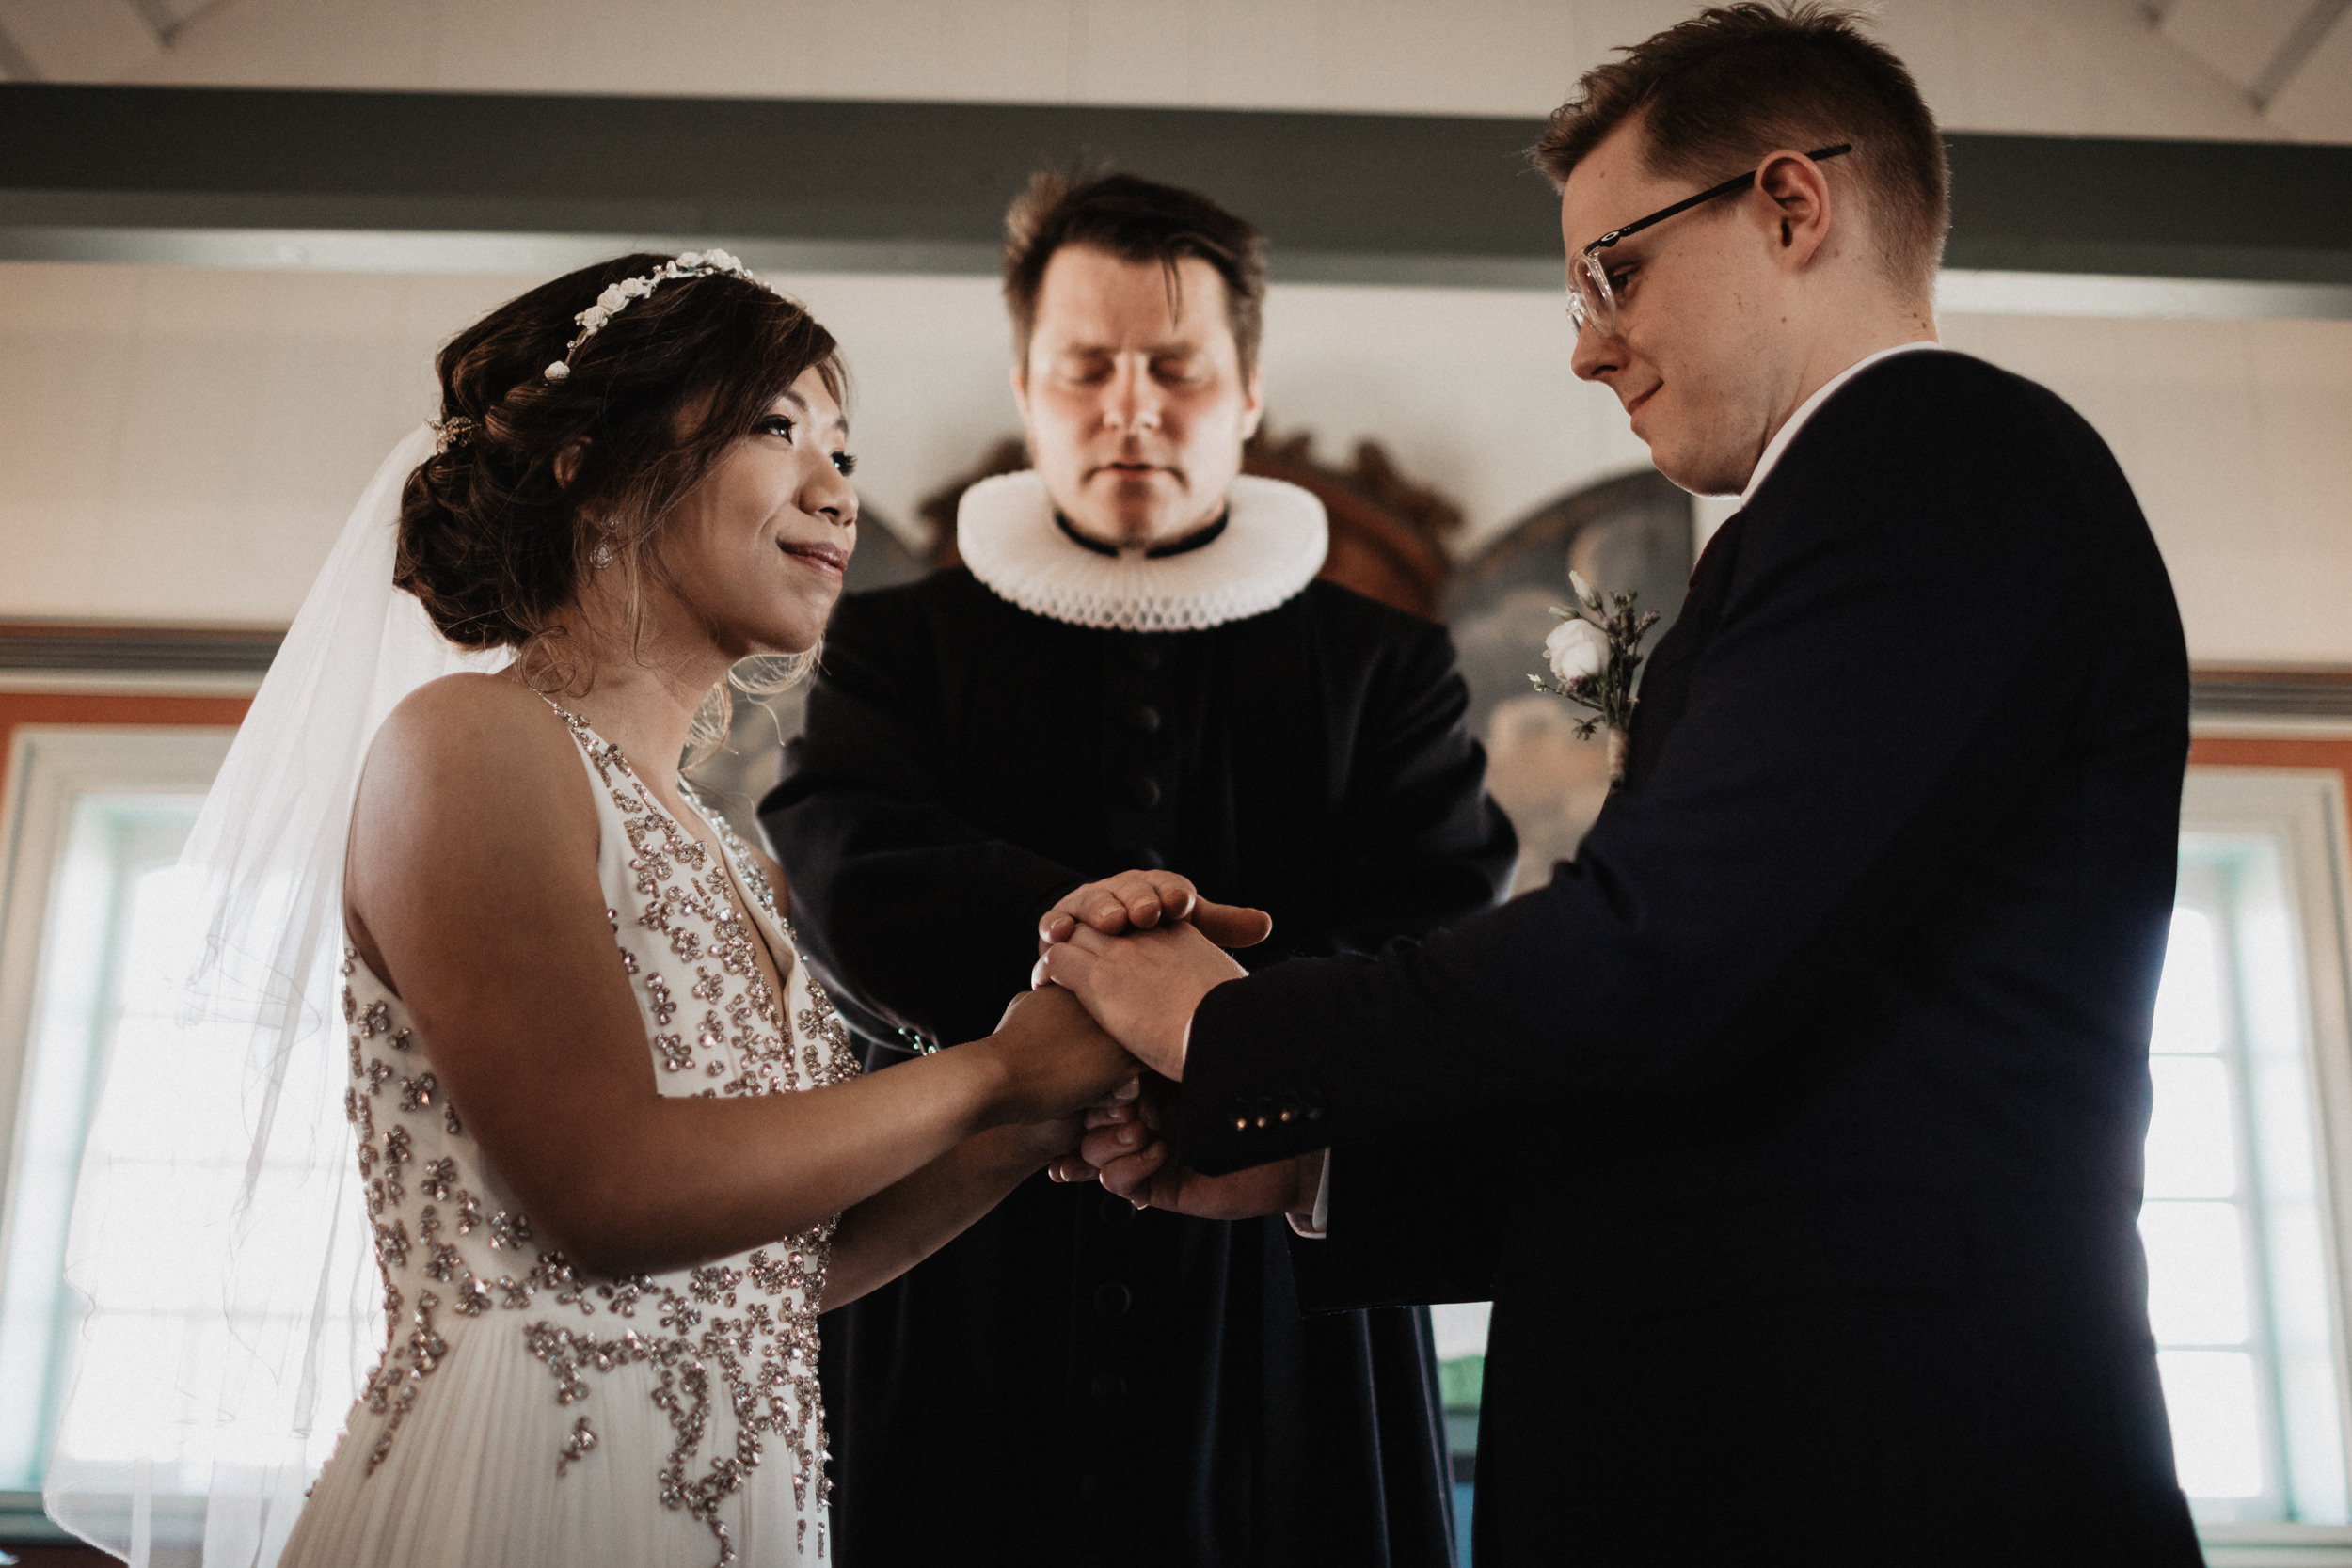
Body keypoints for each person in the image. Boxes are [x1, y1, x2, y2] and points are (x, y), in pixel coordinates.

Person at [1042, 8, 2203, 1566]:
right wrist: (1315, 1163)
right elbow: (1745, 1067)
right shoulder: (1849, 508)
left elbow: (1663, 954)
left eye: (1617, 270)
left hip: (1881, 1467)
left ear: (1793, 206)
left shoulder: (1938, 458)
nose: (1587, 343)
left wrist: (1223, 1025)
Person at [58, 250, 1144, 1568]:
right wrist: (988, 1075)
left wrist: (1044, 1104)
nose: (837, 492)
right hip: (524, 1493)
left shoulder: (726, 853)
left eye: (845, 452)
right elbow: (610, 1191)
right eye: (777, 426)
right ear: (593, 468)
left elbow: (775, 1269)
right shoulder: (473, 743)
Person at [763, 175, 1516, 1566]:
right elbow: (844, 862)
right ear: (1027, 384)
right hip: (960, 1262)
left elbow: (1439, 925)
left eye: (1174, 367)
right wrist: (1099, 949)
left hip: (1288, 1278)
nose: (1129, 407)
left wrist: (1216, 1043)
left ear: (1244, 392)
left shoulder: (1384, 665)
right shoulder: (893, 642)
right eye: (1086, 368)